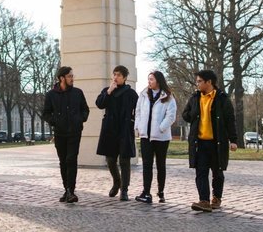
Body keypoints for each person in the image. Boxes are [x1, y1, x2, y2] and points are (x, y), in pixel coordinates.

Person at [182, 69, 238, 212]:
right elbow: (185, 115)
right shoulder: (195, 97)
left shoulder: (222, 98)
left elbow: (230, 120)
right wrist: (194, 113)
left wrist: (233, 140)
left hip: (217, 142)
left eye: (200, 81)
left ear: (209, 82)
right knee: (200, 172)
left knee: (217, 172)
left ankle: (216, 198)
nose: (197, 84)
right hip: (199, 142)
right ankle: (204, 200)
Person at [43, 66, 89, 203]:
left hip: (75, 132)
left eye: (72, 76)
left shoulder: (78, 93)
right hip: (60, 133)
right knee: (63, 161)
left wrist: (80, 119)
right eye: (69, 76)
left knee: (71, 159)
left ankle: (71, 191)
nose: (72, 78)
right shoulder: (51, 95)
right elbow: (46, 113)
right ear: (62, 78)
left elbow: (85, 109)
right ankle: (67, 190)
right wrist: (55, 122)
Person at [96, 65, 138, 201]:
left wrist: (133, 122)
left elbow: (139, 111)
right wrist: (109, 91)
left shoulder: (131, 94)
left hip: (125, 129)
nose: (115, 77)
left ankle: (124, 190)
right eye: (114, 74)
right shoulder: (107, 91)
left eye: (119, 75)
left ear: (125, 77)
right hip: (110, 129)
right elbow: (99, 104)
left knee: (124, 160)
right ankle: (117, 182)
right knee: (110, 160)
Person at [134, 71, 177, 204]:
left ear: (158, 80)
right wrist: (138, 127)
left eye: (151, 79)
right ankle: (146, 192)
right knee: (147, 165)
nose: (149, 82)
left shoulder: (168, 97)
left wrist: (160, 128)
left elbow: (171, 116)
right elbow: (138, 112)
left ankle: (161, 191)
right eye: (148, 79)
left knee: (160, 164)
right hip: (145, 136)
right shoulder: (143, 95)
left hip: (161, 137)